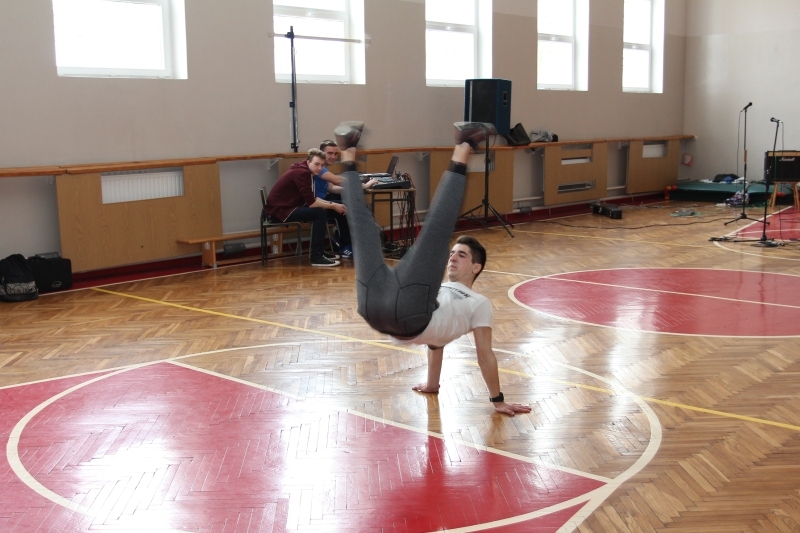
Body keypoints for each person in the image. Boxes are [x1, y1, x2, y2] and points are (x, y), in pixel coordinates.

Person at [337, 121, 531, 416]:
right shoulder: (439, 288)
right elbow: (435, 342)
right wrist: (432, 384)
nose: (452, 258)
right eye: (453, 253)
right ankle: (348, 151)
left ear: (476, 267)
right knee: (362, 227)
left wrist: (498, 400)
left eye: (462, 255)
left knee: (437, 230)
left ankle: (464, 145)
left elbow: (485, 355)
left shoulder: (480, 303)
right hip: (382, 306)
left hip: (392, 311)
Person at [264, 148, 351, 267]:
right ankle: (317, 256)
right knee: (319, 213)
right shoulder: (302, 173)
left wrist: (333, 205)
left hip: (287, 207)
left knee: (327, 210)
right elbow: (312, 203)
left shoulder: (306, 171)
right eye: (316, 164)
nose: (319, 168)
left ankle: (330, 249)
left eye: (322, 165)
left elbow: (312, 198)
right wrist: (333, 205)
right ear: (308, 162)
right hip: (280, 211)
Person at [313, 140, 378, 258]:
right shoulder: (320, 168)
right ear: (321, 153)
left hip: (323, 199)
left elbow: (332, 188)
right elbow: (338, 181)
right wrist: (363, 185)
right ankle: (345, 246)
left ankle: (341, 237)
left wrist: (352, 189)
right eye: (329, 153)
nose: (333, 157)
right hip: (317, 204)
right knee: (346, 208)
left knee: (347, 199)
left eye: (335, 154)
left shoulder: (324, 168)